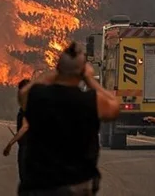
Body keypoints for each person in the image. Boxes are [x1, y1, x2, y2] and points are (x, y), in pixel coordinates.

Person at [18, 41, 120, 196]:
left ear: (58, 68)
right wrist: (90, 80)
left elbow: (23, 93)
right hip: (76, 186)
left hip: (38, 185)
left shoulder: (37, 96)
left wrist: (53, 74)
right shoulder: (91, 101)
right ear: (82, 72)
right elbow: (115, 106)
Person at [3, 78, 31, 184]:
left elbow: (25, 127)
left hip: (27, 147)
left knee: (25, 177)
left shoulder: (27, 106)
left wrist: (10, 144)